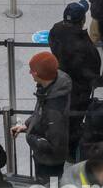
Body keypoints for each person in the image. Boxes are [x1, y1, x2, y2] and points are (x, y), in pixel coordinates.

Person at [49, 0, 102, 156]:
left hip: (58, 81)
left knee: (60, 116)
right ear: (83, 21)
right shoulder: (86, 47)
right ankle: (70, 151)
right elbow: (93, 74)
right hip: (78, 91)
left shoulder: (56, 29)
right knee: (74, 120)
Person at [14, 52, 72, 181]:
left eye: (31, 70)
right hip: (47, 156)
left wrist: (30, 136)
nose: (30, 72)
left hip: (49, 162)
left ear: (36, 74)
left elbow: (54, 145)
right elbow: (40, 112)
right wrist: (28, 124)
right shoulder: (54, 86)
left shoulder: (54, 109)